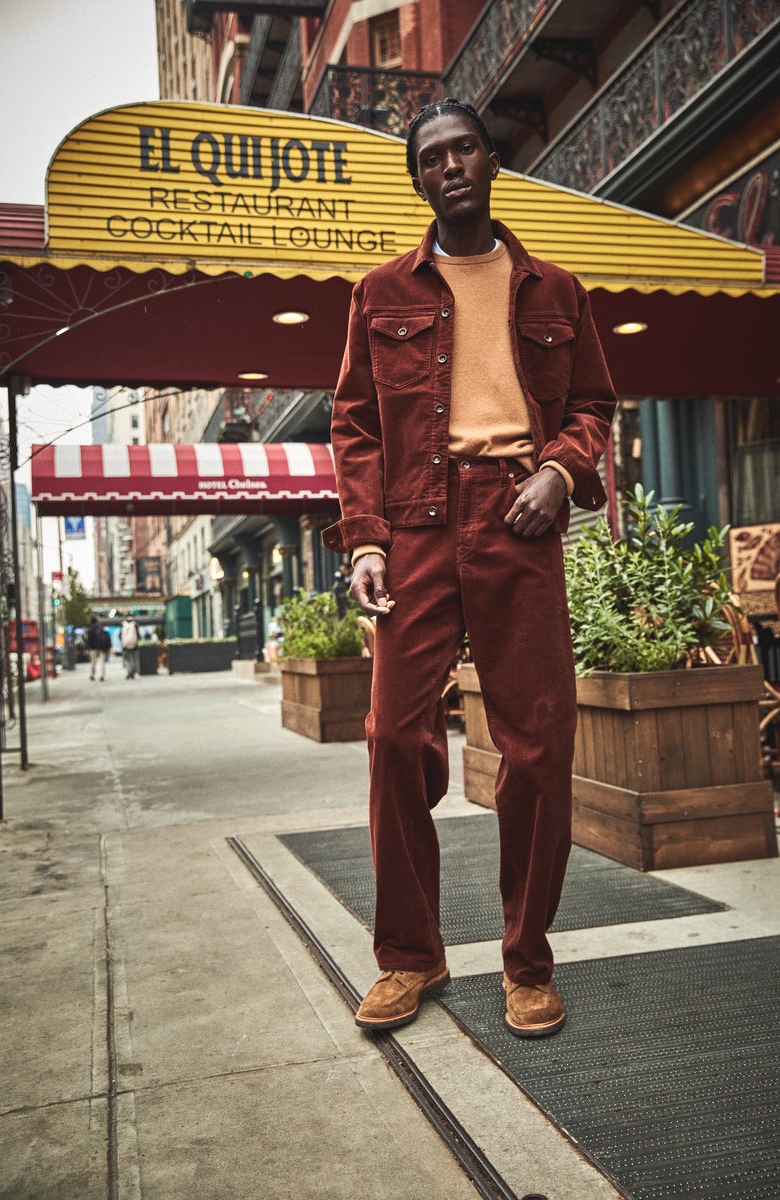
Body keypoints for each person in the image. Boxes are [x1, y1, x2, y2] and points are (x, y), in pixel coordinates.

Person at [322, 98, 617, 1038]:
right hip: (412, 522)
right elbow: (356, 424)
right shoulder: (380, 292)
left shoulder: (556, 289)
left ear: (490, 162)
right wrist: (365, 540)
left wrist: (563, 472)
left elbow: (594, 404)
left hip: (518, 519)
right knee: (392, 739)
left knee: (537, 746)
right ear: (419, 178)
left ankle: (527, 961)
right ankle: (410, 956)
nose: (448, 166)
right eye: (430, 157)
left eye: (463, 150)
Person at [87, 616, 111, 682]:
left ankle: (92, 675)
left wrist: (88, 648)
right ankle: (102, 675)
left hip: (93, 649)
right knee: (102, 663)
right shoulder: (101, 629)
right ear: (96, 622)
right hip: (101, 648)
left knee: (93, 663)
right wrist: (108, 647)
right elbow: (106, 638)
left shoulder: (90, 630)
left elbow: (89, 640)